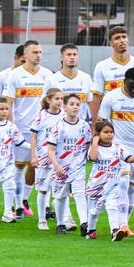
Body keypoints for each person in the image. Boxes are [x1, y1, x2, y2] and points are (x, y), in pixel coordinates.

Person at [3, 39, 54, 219]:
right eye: (34, 52)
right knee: (18, 167)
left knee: (42, 167)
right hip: (21, 129)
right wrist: (11, 127)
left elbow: (54, 102)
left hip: (42, 130)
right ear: (25, 55)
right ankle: (18, 205)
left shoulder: (48, 75)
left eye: (40, 52)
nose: (38, 55)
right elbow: (8, 103)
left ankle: (36, 203)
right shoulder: (14, 75)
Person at [98, 66, 134, 230]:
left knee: (132, 188)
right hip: (119, 148)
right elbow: (102, 122)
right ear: (124, 82)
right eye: (132, 85)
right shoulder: (111, 97)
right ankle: (122, 225)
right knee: (123, 184)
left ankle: (124, 223)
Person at [87, 118, 134, 241]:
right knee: (93, 211)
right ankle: (91, 230)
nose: (109, 134)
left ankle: (115, 231)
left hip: (113, 184)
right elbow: (93, 157)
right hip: (96, 185)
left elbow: (128, 158)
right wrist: (94, 142)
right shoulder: (95, 147)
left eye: (111, 132)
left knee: (112, 206)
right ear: (98, 134)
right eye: (106, 132)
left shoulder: (117, 147)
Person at [47, 94, 92, 235]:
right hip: (61, 168)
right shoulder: (58, 126)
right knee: (60, 196)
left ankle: (85, 224)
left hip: (78, 167)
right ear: (64, 107)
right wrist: (56, 166)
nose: (75, 107)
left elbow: (88, 145)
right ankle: (60, 224)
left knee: (80, 194)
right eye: (71, 104)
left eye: (78, 104)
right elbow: (50, 150)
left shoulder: (84, 126)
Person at [89, 26, 134, 121]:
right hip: (111, 120)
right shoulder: (102, 66)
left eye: (124, 37)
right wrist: (94, 124)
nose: (122, 40)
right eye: (117, 38)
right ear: (111, 43)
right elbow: (96, 98)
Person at [30, 87, 64, 230]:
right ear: (49, 100)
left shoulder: (64, 116)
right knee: (43, 190)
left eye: (62, 99)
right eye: (57, 98)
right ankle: (42, 220)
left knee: (61, 191)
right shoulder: (41, 115)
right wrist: (33, 155)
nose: (60, 102)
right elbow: (34, 136)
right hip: (44, 158)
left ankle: (63, 221)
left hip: (60, 159)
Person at [51, 43, 93, 120]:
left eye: (75, 54)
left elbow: (91, 103)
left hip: (81, 126)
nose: (72, 57)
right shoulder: (52, 79)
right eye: (69, 54)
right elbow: (46, 105)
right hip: (59, 126)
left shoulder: (86, 78)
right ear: (61, 57)